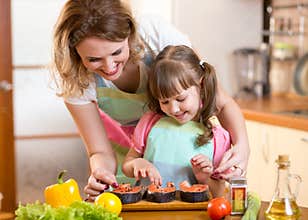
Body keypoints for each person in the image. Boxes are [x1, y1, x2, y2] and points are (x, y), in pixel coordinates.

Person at [52, 0, 249, 201]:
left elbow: (221, 102)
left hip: (186, 150)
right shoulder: (76, 79)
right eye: (94, 59)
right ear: (75, 52)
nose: (110, 66)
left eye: (117, 52)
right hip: (132, 159)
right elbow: (100, 151)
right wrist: (101, 174)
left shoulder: (154, 35)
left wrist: (242, 146)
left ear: (129, 34)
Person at [122, 45, 232, 197]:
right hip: (149, 210)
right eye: (164, 101)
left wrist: (204, 177)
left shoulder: (218, 137)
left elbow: (219, 193)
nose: (173, 109)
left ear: (200, 84)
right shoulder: (150, 122)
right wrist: (136, 164)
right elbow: (128, 163)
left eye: (180, 98)